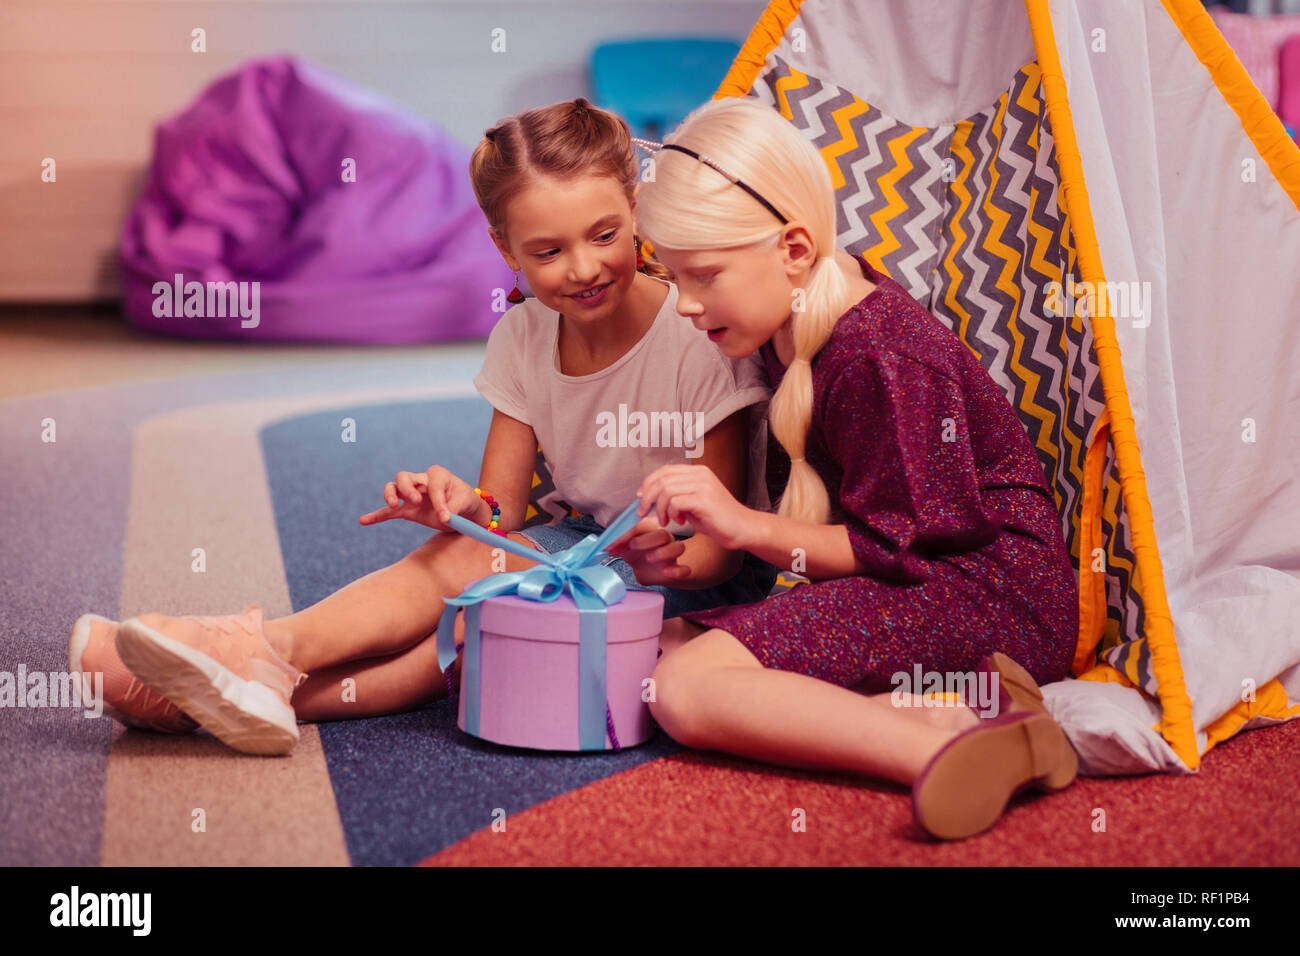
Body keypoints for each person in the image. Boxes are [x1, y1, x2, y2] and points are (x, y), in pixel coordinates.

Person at [69, 98, 778, 756]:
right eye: (548, 252)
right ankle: (256, 657)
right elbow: (499, 513)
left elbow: (718, 553)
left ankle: (234, 674)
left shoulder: (695, 334)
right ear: (507, 252)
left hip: (683, 579)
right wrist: (465, 511)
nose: (584, 268)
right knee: (453, 562)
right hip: (580, 544)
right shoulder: (524, 337)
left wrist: (666, 556)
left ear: (636, 209)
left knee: (484, 624)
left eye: (604, 235)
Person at [608, 96, 1080, 841]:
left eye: (704, 277)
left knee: (683, 690)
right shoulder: (784, 319)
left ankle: (945, 748)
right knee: (654, 650)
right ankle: (973, 709)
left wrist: (744, 524)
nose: (686, 307)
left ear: (793, 250)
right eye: (673, 278)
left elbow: (901, 550)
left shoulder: (878, 354)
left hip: (990, 594)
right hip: (927, 583)